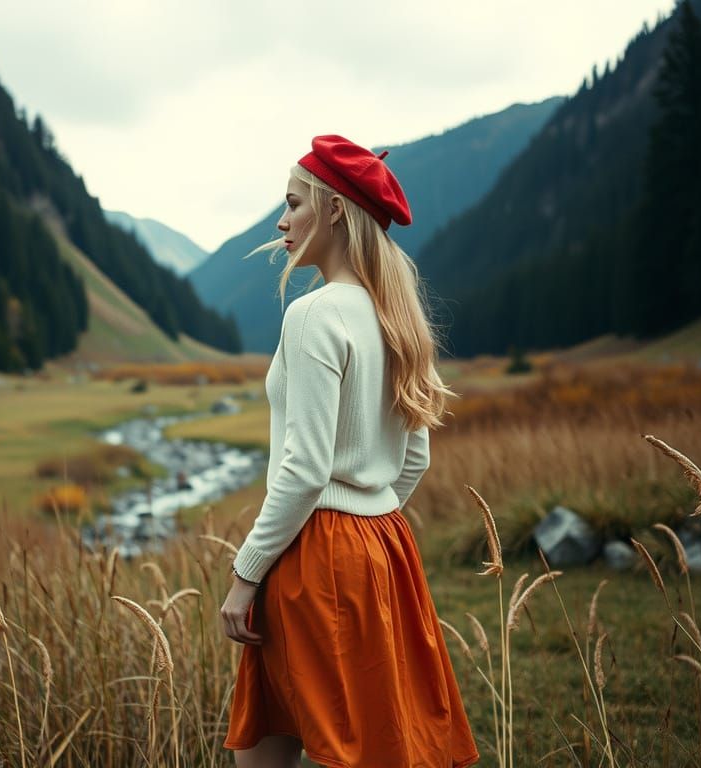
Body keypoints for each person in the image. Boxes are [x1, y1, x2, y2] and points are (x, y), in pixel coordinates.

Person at [220, 134, 480, 768]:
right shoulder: (394, 314)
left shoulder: (313, 316)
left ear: (334, 209)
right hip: (385, 546)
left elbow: (305, 469)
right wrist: (369, 509)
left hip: (316, 552)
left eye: (292, 203)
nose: (281, 221)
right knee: (360, 739)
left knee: (286, 747)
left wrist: (245, 571)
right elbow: (412, 458)